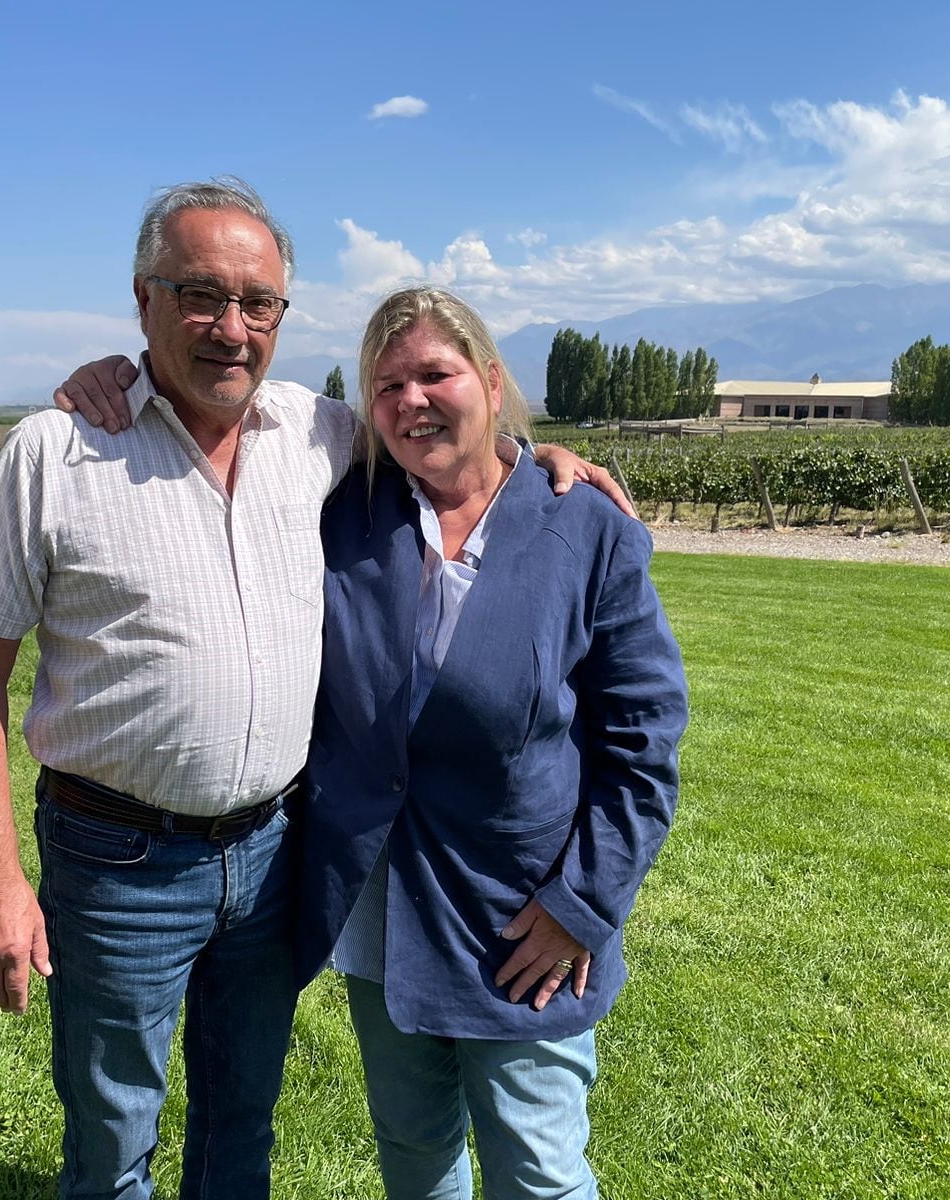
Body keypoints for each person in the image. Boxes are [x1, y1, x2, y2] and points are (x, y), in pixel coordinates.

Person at [0, 178, 627, 1200]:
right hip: (114, 859)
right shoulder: (62, 449)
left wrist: (538, 465)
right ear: (145, 300)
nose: (231, 328)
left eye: (258, 304)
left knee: (240, 1123)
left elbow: (447, 437)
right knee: (111, 1133)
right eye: (199, 296)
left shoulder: (321, 436)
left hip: (271, 854)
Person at [295, 286, 688, 1199]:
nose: (410, 401)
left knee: (538, 1173)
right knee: (415, 1158)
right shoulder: (350, 509)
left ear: (493, 377)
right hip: (382, 911)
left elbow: (644, 742)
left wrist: (583, 905)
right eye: (386, 384)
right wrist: (118, 376)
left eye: (436, 373)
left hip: (521, 921)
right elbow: (227, 415)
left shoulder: (584, 528)